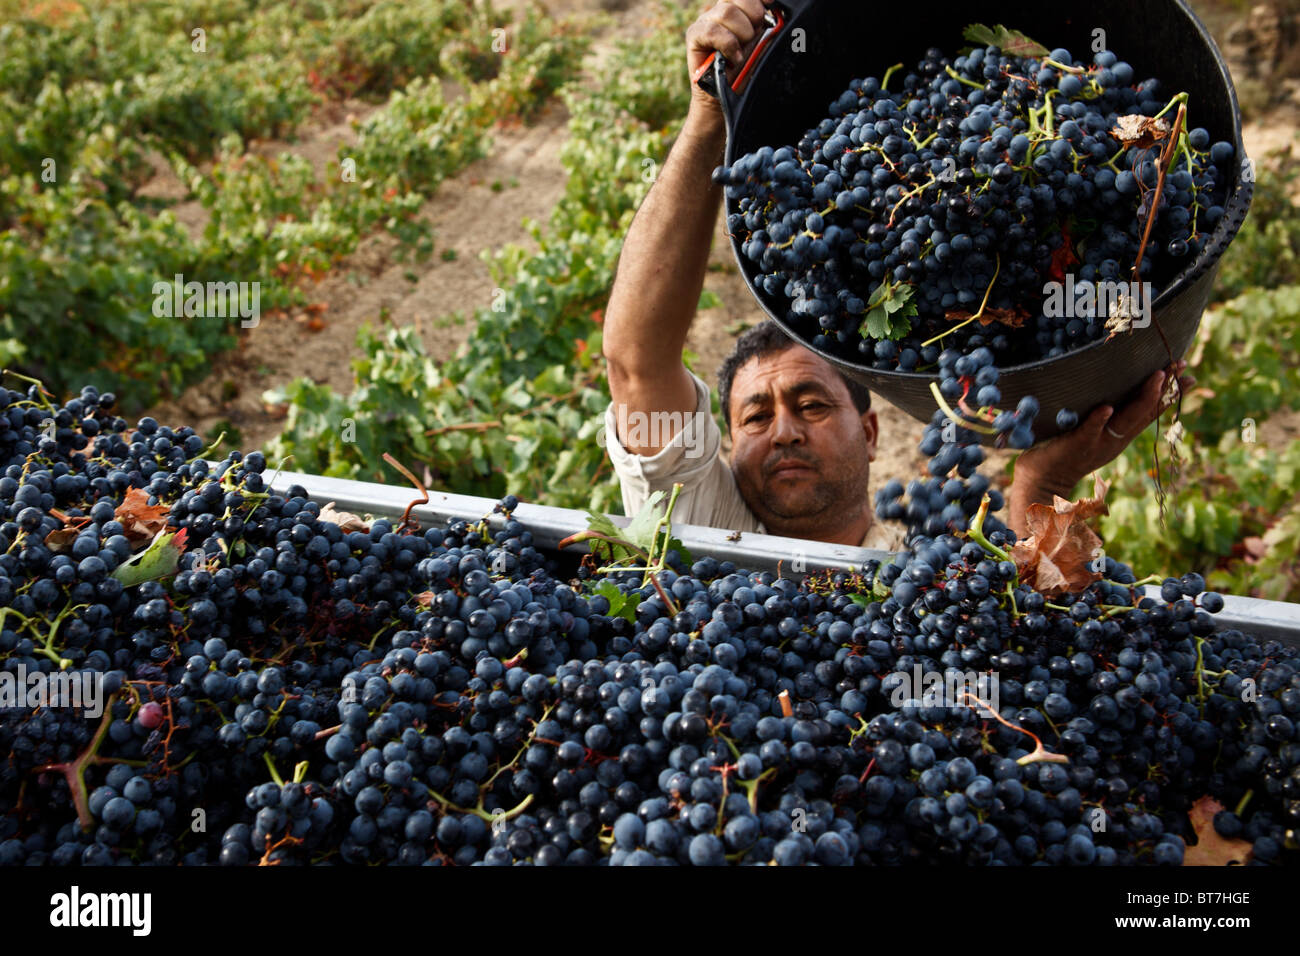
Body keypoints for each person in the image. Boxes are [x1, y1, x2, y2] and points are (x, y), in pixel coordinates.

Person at [600, 0, 1194, 551]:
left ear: (872, 431)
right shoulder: (705, 532)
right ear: (725, 446)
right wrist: (709, 118)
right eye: (755, 416)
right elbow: (636, 360)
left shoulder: (928, 573)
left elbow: (1024, 638)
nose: (783, 432)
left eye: (811, 406)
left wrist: (1042, 479)